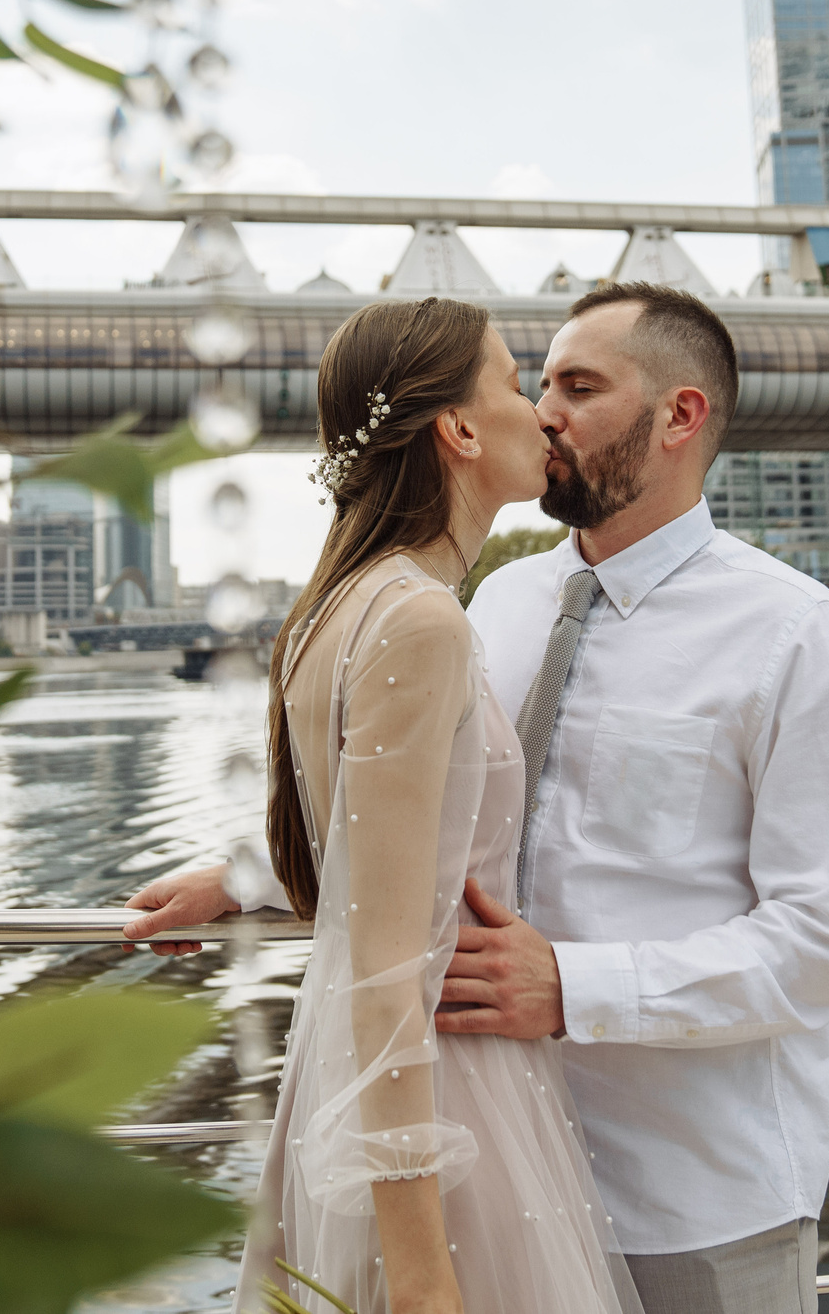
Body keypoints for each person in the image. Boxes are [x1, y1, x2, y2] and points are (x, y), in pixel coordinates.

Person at [129, 283, 829, 1314]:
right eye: (534, 385)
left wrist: (573, 986)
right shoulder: (496, 599)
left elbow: (823, 942)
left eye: (578, 386)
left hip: (689, 1192)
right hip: (482, 1164)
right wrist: (252, 877)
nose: (544, 413)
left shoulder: (797, 634)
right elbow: (437, 834)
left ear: (679, 416)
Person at [205, 296, 641, 1314]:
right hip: (439, 1100)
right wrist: (421, 1271)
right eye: (510, 381)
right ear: (455, 429)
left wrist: (238, 883)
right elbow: (383, 964)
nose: (539, 411)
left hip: (376, 1086)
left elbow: (362, 866)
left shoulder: (344, 604)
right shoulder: (418, 621)